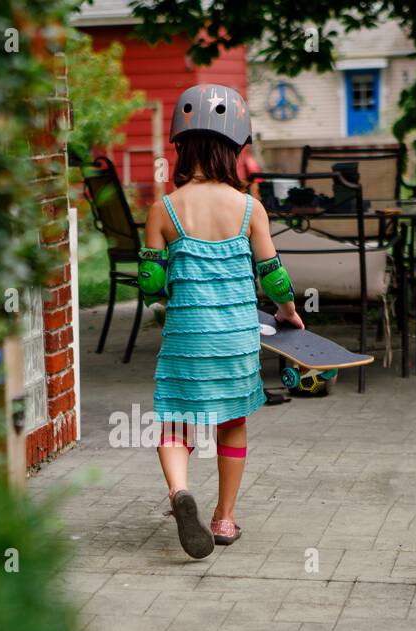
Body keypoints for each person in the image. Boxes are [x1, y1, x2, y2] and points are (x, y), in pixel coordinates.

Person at [137, 84, 304, 559]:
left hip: (187, 337)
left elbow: (149, 280)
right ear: (235, 149)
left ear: (180, 145)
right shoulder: (250, 208)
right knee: (231, 423)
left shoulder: (163, 209)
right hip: (235, 339)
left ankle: (179, 493)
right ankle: (224, 519)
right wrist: (289, 312)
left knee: (175, 420)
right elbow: (273, 277)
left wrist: (162, 278)